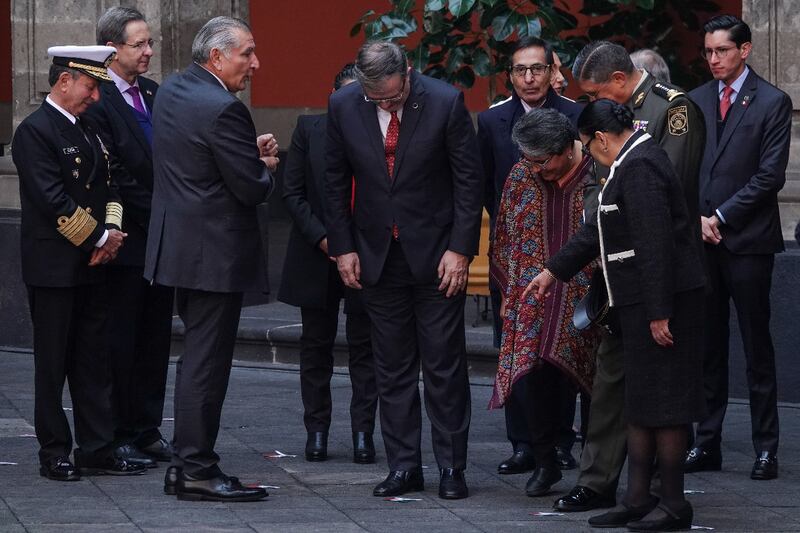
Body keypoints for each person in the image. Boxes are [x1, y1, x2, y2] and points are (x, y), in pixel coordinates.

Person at [528, 99, 706, 531]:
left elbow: (655, 243)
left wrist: (660, 313)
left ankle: (674, 503)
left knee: (664, 404)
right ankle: (638, 497)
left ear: (601, 139)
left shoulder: (641, 166)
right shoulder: (627, 162)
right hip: (638, 304)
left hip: (662, 303)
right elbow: (598, 230)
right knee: (640, 403)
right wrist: (554, 270)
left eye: (587, 147)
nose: (588, 155)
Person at [324, 41, 483, 500]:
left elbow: (468, 181)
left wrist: (460, 248)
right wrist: (343, 247)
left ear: (407, 75)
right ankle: (404, 466)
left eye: (394, 97)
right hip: (376, 255)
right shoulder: (343, 104)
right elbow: (333, 179)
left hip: (437, 256)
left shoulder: (445, 102)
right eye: (378, 100)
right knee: (390, 368)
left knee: (443, 366)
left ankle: (452, 467)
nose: (387, 105)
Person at [144, 16, 275, 502]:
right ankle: (197, 468)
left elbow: (199, 160)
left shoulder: (175, 89)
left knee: (195, 359)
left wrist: (245, 155)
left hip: (179, 248)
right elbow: (249, 187)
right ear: (217, 56)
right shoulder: (224, 108)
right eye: (247, 52)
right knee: (206, 363)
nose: (255, 63)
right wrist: (264, 167)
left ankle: (186, 465)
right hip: (213, 254)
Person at [12, 45, 149, 480]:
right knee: (52, 364)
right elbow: (52, 201)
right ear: (64, 80)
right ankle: (54, 451)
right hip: (55, 266)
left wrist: (111, 235)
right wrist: (100, 238)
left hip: (93, 263)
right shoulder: (33, 132)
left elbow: (110, 187)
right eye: (90, 87)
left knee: (93, 360)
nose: (94, 97)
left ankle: (97, 446)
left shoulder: (89, 128)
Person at [686, 14, 792, 481]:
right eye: (708, 51)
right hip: (702, 241)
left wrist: (721, 216)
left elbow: (770, 176)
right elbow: (682, 169)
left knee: (755, 347)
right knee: (707, 346)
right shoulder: (693, 100)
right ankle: (706, 442)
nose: (713, 59)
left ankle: (765, 447)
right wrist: (696, 220)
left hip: (747, 242)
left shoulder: (772, 101)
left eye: (722, 51)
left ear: (744, 50)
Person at [477, 37, 583, 478]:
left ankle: (561, 441)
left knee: (566, 349)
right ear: (510, 75)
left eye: (537, 68)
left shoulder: (577, 115)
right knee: (517, 349)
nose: (529, 77)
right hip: (518, 253)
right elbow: (485, 184)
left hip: (572, 252)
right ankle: (523, 443)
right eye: (520, 70)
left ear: (550, 69)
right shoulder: (491, 120)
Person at [488, 108, 599, 498]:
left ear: (566, 150)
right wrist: (506, 291)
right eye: (528, 160)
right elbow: (503, 233)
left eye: (541, 162)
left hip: (587, 295)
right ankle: (544, 460)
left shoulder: (596, 172)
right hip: (530, 295)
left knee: (593, 382)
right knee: (532, 377)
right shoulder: (522, 173)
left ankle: (594, 470)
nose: (534, 169)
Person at [83, 6, 174, 466]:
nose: (148, 52)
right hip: (127, 238)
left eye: (149, 42)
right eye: (139, 44)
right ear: (111, 48)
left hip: (164, 240)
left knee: (156, 338)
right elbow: (112, 172)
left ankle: (147, 427)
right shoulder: (99, 100)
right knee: (120, 340)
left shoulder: (155, 94)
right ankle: (117, 429)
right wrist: (159, 210)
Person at [278, 64, 378, 464]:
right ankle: (316, 431)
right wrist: (328, 241)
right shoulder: (309, 129)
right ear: (332, 95)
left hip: (367, 255)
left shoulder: (380, 134)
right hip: (316, 253)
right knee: (315, 347)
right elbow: (293, 193)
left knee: (365, 348)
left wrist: (353, 245)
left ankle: (362, 434)